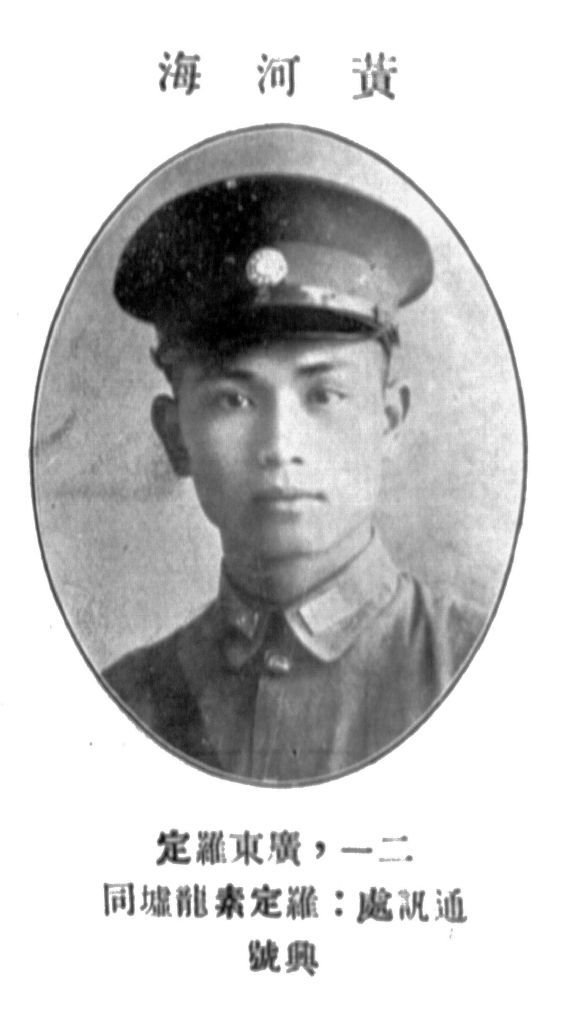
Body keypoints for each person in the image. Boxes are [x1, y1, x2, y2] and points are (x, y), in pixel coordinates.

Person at [105, 174, 485, 783]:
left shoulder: (478, 671)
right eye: (233, 400)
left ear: (388, 422)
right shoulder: (124, 702)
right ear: (176, 436)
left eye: (324, 395)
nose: (280, 447)